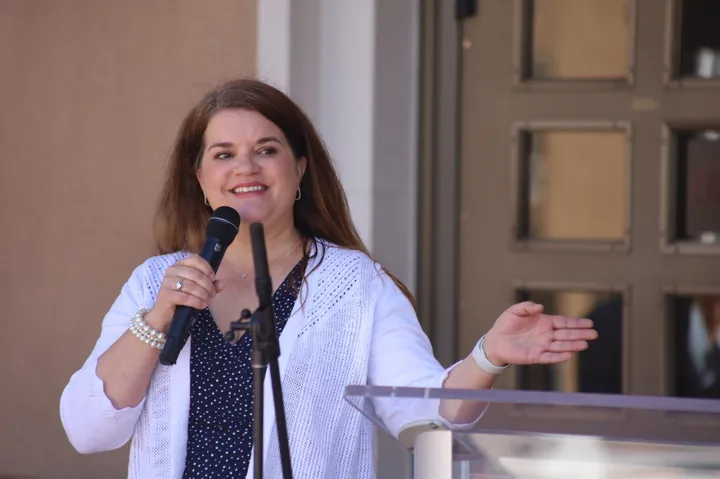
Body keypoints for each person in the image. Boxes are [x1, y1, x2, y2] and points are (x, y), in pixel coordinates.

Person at [59, 78, 598, 479]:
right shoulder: (156, 280)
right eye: (223, 155)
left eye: (266, 150)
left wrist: (488, 356)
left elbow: (429, 419)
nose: (245, 168)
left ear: (299, 168)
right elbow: (88, 431)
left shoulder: (356, 285)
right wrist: (156, 319)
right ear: (200, 179)